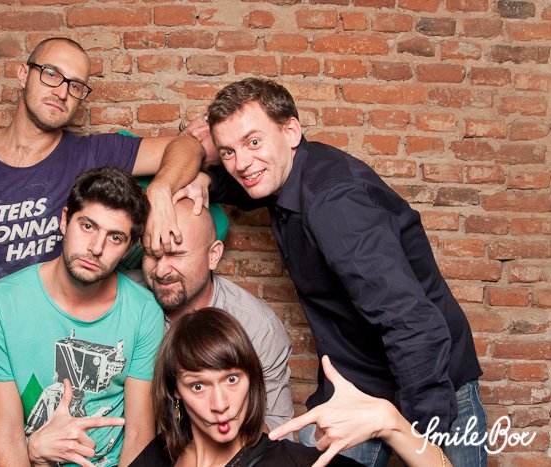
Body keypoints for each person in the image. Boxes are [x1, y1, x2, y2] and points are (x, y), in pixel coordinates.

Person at [0, 37, 202, 466]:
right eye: (51, 75)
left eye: (76, 85)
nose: (62, 91)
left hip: (38, 367)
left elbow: (188, 147)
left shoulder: (89, 154)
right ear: (22, 74)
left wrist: (159, 191)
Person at [178, 78, 485, 466]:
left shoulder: (335, 205)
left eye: (253, 142)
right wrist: (209, 179)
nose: (241, 162)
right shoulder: (289, 172)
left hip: (432, 379)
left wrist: (417, 435)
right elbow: (250, 180)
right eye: (228, 151)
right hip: (359, 378)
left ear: (291, 131)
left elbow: (410, 321)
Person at [0, 167, 163, 467]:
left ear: (127, 249)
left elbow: (139, 435)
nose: (96, 248)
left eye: (115, 237)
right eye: (87, 226)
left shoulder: (144, 311)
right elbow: (7, 438)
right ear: (64, 220)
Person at [131, 308, 450, 467]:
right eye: (198, 386)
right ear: (175, 389)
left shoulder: (291, 462)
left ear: (252, 378)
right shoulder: (161, 455)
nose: (220, 403)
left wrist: (391, 424)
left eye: (232, 379)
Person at [138, 198, 294, 431]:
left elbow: (278, 427)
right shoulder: (124, 299)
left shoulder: (257, 327)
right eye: (151, 254)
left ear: (213, 255)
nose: (161, 271)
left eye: (176, 255)